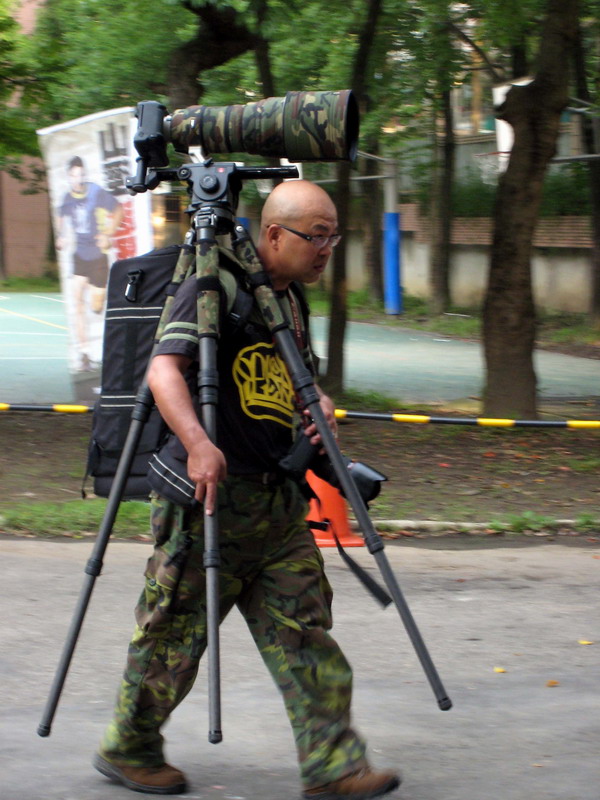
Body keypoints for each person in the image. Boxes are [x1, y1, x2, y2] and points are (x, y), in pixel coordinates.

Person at [93, 180, 401, 799]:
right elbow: (162, 370)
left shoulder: (290, 303)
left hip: (277, 504)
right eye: (316, 236)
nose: (326, 249)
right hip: (208, 504)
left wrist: (319, 407)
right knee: (172, 641)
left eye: (333, 236)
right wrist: (201, 444)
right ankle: (129, 746)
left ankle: (334, 766)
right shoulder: (214, 287)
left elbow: (291, 379)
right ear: (274, 234)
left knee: (306, 632)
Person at [55, 156, 124, 371]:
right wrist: (60, 236)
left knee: (96, 305)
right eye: (74, 175)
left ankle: (103, 340)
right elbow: (60, 217)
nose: (78, 178)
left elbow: (119, 209)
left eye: (80, 174)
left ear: (84, 174)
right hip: (79, 257)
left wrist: (108, 233)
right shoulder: (67, 198)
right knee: (77, 303)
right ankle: (84, 353)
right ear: (69, 176)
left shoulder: (95, 192)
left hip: (97, 256)